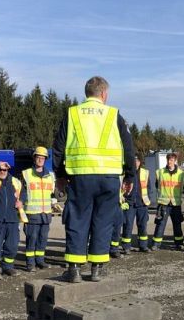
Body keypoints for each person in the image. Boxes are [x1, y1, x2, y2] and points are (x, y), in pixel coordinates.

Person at [52, 76, 136, 283]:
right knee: (103, 221)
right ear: (104, 94)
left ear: (86, 93)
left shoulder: (72, 114)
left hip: (80, 177)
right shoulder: (114, 115)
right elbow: (128, 148)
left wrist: (60, 176)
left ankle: (74, 269)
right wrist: (130, 175)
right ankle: (97, 269)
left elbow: (58, 148)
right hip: (108, 177)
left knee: (78, 219)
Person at [21, 146, 55, 272]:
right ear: (34, 158)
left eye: (43, 158)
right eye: (38, 157)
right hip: (32, 213)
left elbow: (52, 193)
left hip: (46, 214)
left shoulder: (50, 175)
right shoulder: (26, 174)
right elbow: (23, 193)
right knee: (32, 238)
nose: (40, 160)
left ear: (46, 159)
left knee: (43, 238)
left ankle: (40, 260)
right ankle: (30, 263)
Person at [152, 152, 184, 250]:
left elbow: (182, 188)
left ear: (175, 161)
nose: (169, 162)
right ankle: (156, 244)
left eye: (171, 160)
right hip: (164, 203)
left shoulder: (181, 174)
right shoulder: (160, 172)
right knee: (160, 223)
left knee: (177, 224)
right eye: (168, 160)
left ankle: (179, 243)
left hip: (176, 203)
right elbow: (156, 185)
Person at [122, 154, 153, 253]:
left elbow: (149, 188)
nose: (136, 163)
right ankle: (126, 247)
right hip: (129, 203)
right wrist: (124, 199)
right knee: (128, 225)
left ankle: (143, 246)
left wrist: (148, 199)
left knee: (143, 225)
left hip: (142, 203)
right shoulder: (126, 173)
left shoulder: (145, 172)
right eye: (134, 161)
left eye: (137, 161)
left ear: (140, 162)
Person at [110, 180, 129, 259]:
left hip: (118, 204)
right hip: (107, 204)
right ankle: (104, 249)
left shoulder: (122, 175)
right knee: (106, 228)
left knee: (117, 228)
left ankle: (114, 249)